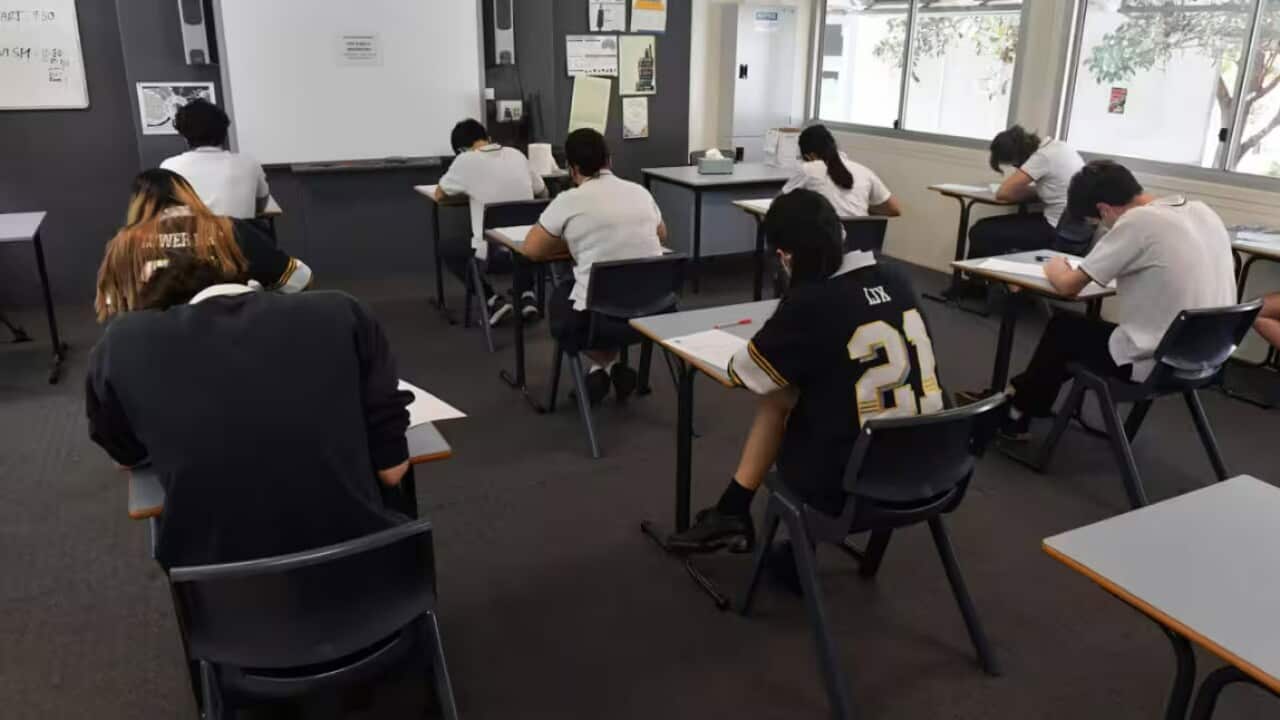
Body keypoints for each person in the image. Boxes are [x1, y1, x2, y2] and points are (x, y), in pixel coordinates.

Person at [88, 234, 413, 568]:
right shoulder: (343, 310)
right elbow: (392, 471)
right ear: (248, 279)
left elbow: (126, 457)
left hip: (223, 598)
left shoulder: (121, 344)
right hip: (372, 577)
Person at [666, 189, 945, 554]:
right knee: (813, 392)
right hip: (933, 468)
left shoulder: (811, 303)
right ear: (840, 232)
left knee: (780, 395)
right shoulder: (898, 277)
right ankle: (733, 512)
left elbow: (747, 372)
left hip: (853, 483)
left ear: (784, 256)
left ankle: (736, 512)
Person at [1000, 160, 1237, 439]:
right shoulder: (1202, 211)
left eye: (1098, 221)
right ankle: (1023, 398)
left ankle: (1017, 411)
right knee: (1074, 337)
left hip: (1162, 362)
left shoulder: (1137, 221)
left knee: (1062, 331)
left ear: (1104, 209)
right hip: (1211, 356)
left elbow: (1067, 287)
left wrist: (1054, 266)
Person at [523, 128, 666, 405]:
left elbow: (532, 249)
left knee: (563, 302)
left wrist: (574, 240)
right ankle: (610, 370)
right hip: (653, 311)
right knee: (597, 291)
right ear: (609, 160)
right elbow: (662, 234)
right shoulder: (639, 192)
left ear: (572, 168)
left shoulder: (569, 200)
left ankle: (605, 368)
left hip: (600, 321)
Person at [96, 169, 310, 319]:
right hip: (235, 339)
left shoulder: (124, 242)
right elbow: (299, 279)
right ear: (188, 193)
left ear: (137, 202)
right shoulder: (229, 229)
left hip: (155, 350)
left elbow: (110, 304)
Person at [436, 119, 548, 325]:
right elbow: (541, 190)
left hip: (494, 255)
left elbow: (440, 195)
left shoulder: (465, 160)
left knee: (448, 248)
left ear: (461, 149)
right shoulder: (517, 155)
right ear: (487, 138)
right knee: (517, 230)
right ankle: (526, 295)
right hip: (531, 249)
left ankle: (492, 300)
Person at [969, 125, 1085, 260]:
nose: (1017, 168)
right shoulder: (1060, 146)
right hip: (1076, 229)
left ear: (1018, 156)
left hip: (1057, 230)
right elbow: (1048, 190)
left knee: (981, 230)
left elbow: (1003, 192)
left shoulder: (1042, 157)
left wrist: (1019, 191)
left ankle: (978, 277)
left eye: (1014, 164)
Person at [160, 99, 271, 220]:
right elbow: (260, 206)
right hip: (240, 237)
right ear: (224, 131)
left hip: (195, 237)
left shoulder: (170, 167)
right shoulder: (249, 164)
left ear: (184, 136)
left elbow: (165, 212)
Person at [782, 124, 900, 218]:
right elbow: (894, 209)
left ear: (810, 156)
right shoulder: (865, 171)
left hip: (823, 244)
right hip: (860, 245)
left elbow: (778, 205)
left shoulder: (809, 169)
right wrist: (862, 208)